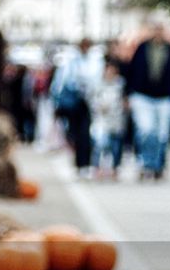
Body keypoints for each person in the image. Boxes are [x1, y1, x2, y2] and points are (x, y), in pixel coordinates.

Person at [125, 18, 170, 180]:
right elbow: (131, 71)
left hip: (165, 97)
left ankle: (158, 164)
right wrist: (127, 95)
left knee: (162, 134)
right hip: (142, 95)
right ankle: (146, 162)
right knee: (146, 130)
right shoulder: (142, 48)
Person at [50, 39, 103, 177]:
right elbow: (61, 82)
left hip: (89, 102)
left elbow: (96, 80)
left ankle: (86, 163)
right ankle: (79, 162)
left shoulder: (95, 61)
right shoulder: (70, 61)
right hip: (74, 103)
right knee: (75, 134)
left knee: (86, 134)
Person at [90, 60, 127, 179]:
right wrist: (99, 106)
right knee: (101, 144)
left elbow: (124, 102)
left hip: (117, 121)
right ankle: (97, 167)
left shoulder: (120, 85)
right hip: (102, 121)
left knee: (115, 147)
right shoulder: (98, 85)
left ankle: (115, 168)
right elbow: (93, 101)